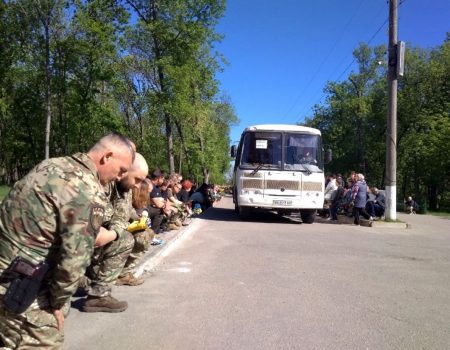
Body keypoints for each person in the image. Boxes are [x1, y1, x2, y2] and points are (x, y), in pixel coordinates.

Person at [0, 132, 134, 349]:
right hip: (20, 286)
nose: (120, 177)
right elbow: (74, 260)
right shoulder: (87, 189)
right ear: (107, 156)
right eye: (121, 170)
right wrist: (58, 304)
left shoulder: (51, 165)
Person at [83, 153, 148, 313]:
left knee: (145, 234)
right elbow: (107, 218)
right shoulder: (102, 183)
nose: (138, 186)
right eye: (137, 179)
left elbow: (123, 212)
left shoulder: (125, 188)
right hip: (82, 240)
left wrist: (138, 219)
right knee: (124, 239)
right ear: (125, 172)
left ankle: (122, 273)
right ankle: (97, 294)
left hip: (101, 233)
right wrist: (121, 228)